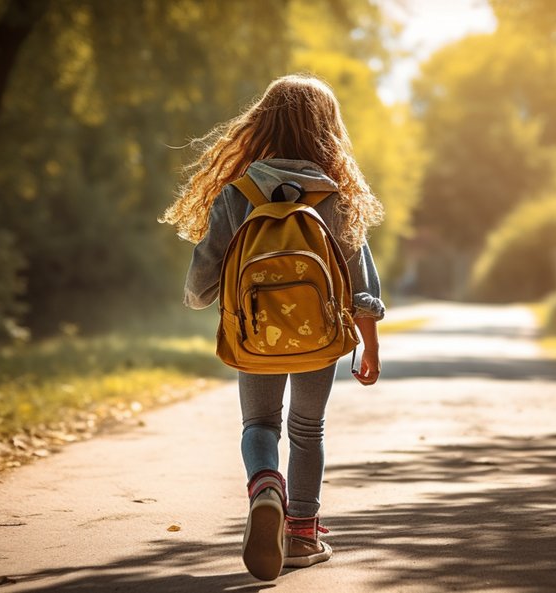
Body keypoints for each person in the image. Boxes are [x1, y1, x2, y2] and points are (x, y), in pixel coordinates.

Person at [160, 74, 385, 580]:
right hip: (320, 339)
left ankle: (266, 487)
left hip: (253, 336)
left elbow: (205, 272)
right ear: (328, 131)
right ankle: (302, 535)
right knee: (308, 431)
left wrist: (197, 297)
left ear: (262, 125)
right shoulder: (335, 195)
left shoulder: (237, 192)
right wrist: (369, 347)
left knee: (259, 425)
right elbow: (360, 285)